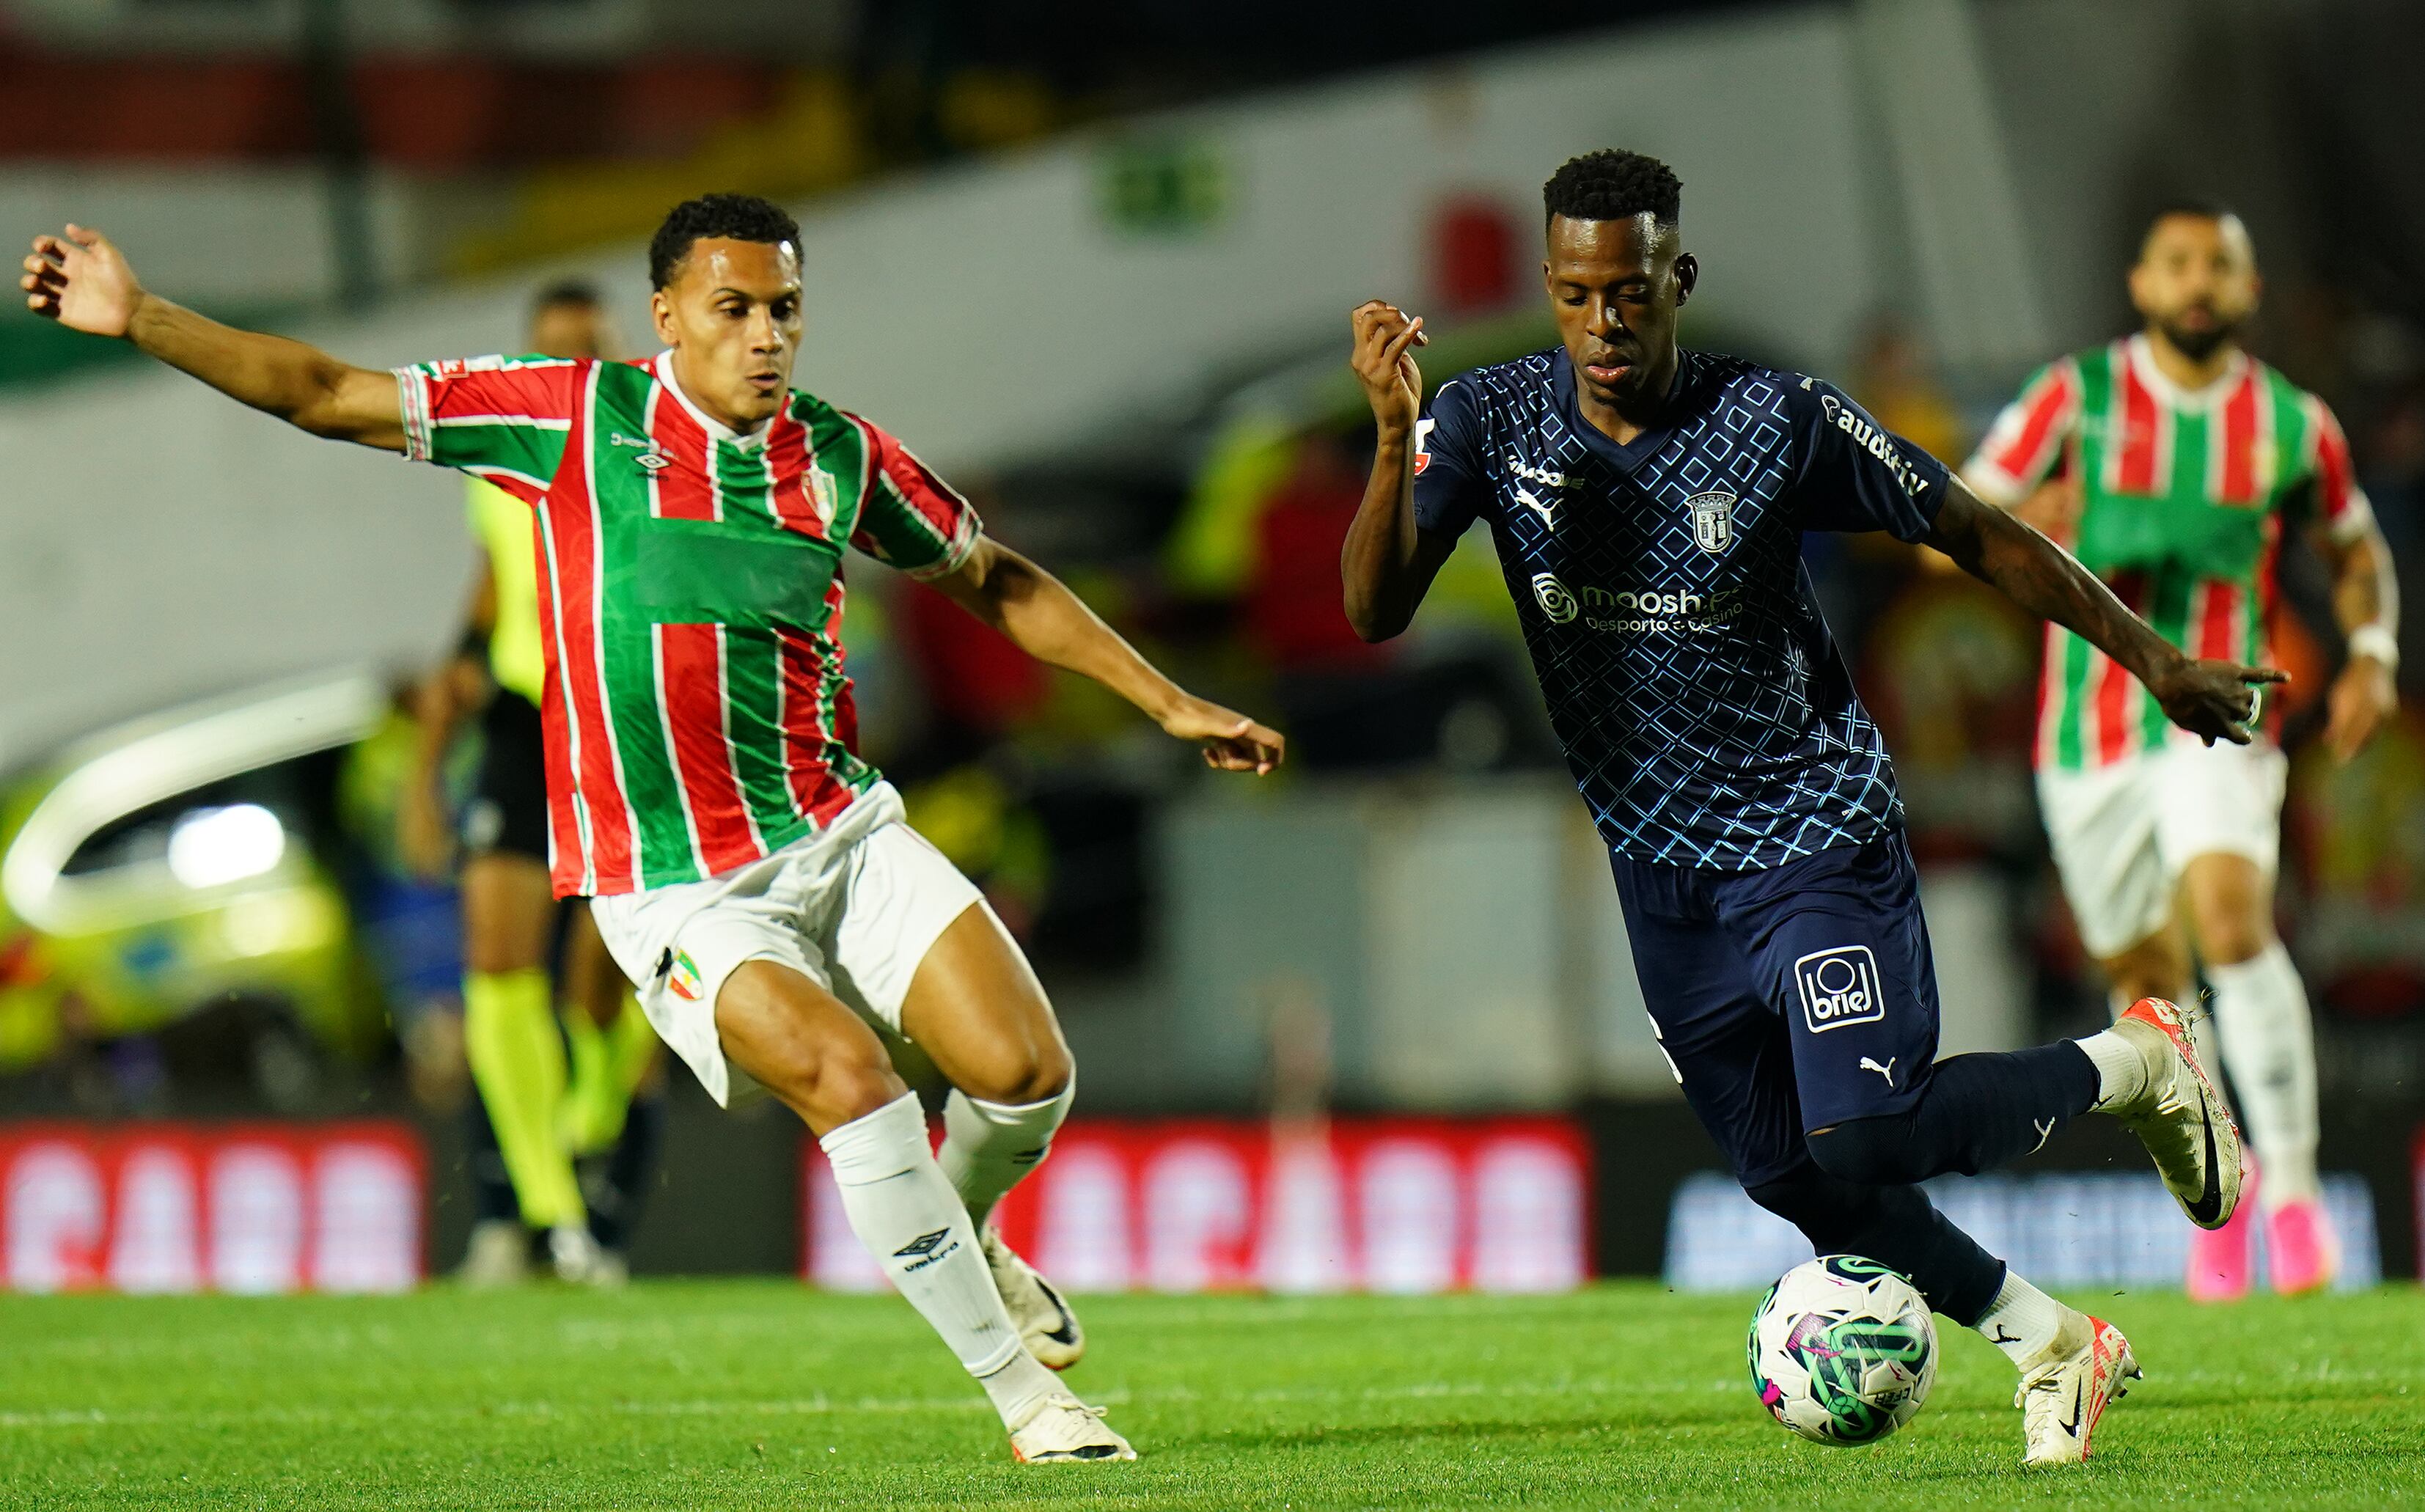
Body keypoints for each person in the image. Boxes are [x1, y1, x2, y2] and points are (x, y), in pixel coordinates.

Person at [23, 192, 1283, 1464]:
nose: (764, 335)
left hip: (839, 829)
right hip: (680, 885)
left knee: (1027, 1076)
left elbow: (992, 576)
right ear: (668, 314)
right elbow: (322, 391)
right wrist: (144, 317)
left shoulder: (838, 455)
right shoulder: (574, 417)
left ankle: (969, 1233)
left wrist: (1169, 700)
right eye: (734, 308)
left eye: (784, 309)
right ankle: (1030, 1402)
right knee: (853, 1085)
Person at [1342, 150, 2270, 1467]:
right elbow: (1374, 610)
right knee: (1791, 1173)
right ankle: (2055, 1343)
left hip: (1809, 832)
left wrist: (2156, 659)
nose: (1604, 324)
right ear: (1551, 288)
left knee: (1868, 1130)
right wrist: (1393, 439)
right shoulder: (1487, 420)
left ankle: (2141, 1062)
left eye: (1630, 292)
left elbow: (1977, 532)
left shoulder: (1773, 417)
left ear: (1678, 277)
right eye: (1576, 296)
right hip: (1660, 871)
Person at [1962, 202, 2401, 1300]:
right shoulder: (2075, 396)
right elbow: (1957, 519)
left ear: (2249, 291)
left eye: (2219, 265)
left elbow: (2355, 549)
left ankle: (2295, 1195)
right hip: (2086, 735)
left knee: (2232, 921)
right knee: (2149, 988)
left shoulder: (2289, 422)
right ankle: (2224, 1194)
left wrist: (2373, 653)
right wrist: (2032, 512)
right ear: (2142, 285)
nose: (2198, 282)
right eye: (2178, 264)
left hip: (2219, 714)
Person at [398, 279, 668, 1288]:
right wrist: (439, 730)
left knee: (609, 974)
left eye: (588, 347)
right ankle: (540, 1212)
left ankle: (590, 1130)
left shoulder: (657, 446)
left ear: (621, 352)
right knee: (496, 959)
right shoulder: (500, 452)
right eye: (553, 350)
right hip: (526, 716)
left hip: (624, 716)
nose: (571, 367)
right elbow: (495, 581)